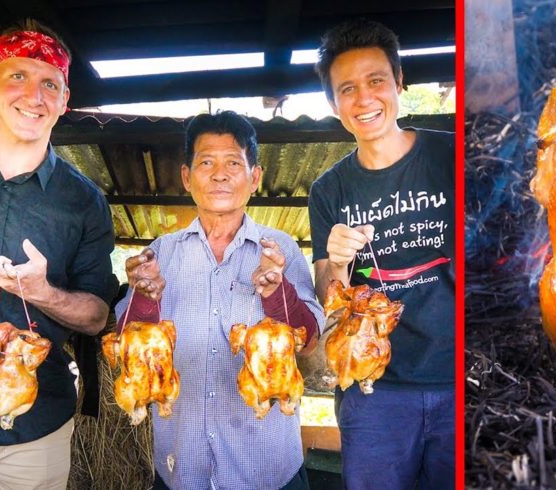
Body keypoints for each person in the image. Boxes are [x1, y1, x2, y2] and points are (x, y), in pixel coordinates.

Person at [117, 111, 324, 490]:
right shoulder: (161, 252)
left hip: (268, 468)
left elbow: (309, 340)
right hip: (181, 465)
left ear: (254, 177)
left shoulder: (281, 249)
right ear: (186, 176)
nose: (219, 174)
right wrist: (147, 299)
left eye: (233, 162)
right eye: (206, 162)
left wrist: (277, 292)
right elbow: (124, 344)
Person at [0, 18, 117, 490]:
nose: (34, 95)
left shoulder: (84, 201)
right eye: (17, 76)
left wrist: (42, 291)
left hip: (34, 428)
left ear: (65, 100)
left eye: (50, 83)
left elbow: (95, 317)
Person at [309, 18, 456, 490]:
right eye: (347, 88)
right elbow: (326, 297)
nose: (364, 99)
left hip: (461, 379)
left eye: (376, 81)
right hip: (375, 391)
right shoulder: (328, 189)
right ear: (333, 104)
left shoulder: (450, 157)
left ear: (399, 82)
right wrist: (336, 263)